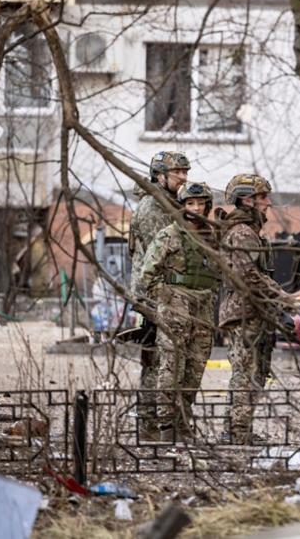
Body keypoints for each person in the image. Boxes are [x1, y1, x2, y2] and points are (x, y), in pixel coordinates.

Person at [140, 182, 220, 442]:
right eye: (190, 203)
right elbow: (147, 274)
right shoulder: (169, 235)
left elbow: (220, 270)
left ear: (207, 206)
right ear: (182, 206)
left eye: (200, 203)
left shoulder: (212, 236)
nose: (196, 208)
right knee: (172, 365)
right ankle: (167, 426)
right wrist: (165, 299)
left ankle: (183, 423)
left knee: (195, 368)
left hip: (203, 307)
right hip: (175, 306)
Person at [218, 174, 291, 444]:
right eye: (262, 197)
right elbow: (247, 275)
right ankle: (237, 433)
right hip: (244, 313)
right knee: (245, 373)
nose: (268, 202)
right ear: (247, 200)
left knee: (256, 371)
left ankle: (238, 430)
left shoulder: (251, 231)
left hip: (255, 312)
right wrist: (282, 296)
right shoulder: (242, 233)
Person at [128, 151, 190, 440]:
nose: (183, 178)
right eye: (178, 173)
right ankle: (149, 426)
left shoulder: (168, 203)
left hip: (165, 293)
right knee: (156, 362)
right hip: (154, 295)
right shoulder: (152, 207)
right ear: (160, 176)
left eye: (185, 172)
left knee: (163, 359)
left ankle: (159, 424)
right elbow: (163, 254)